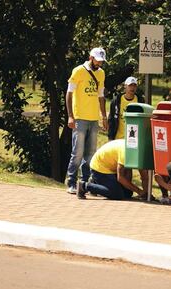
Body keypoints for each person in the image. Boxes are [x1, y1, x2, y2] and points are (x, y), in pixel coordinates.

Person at [65, 47, 108, 194]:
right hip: (80, 118)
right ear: (91, 58)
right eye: (98, 60)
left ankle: (84, 184)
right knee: (77, 152)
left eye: (102, 61)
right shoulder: (78, 71)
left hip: (93, 119)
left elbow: (101, 96)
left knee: (90, 154)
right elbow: (69, 94)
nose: (100, 63)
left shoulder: (101, 73)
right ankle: (71, 182)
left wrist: (104, 116)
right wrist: (70, 116)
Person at [77, 139, 150, 200]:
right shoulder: (125, 153)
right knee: (117, 195)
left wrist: (147, 193)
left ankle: (96, 183)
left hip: (110, 168)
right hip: (98, 168)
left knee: (128, 193)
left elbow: (144, 176)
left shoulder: (138, 152)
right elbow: (120, 177)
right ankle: (84, 186)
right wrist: (139, 191)